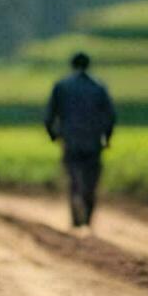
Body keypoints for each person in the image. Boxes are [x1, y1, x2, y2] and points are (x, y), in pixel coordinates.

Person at [43, 52, 115, 230]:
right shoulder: (98, 87)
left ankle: (76, 212)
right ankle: (88, 216)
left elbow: (49, 116)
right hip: (93, 140)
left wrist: (53, 135)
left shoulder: (61, 86)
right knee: (91, 179)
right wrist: (107, 137)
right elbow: (110, 115)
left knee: (74, 176)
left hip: (70, 139)